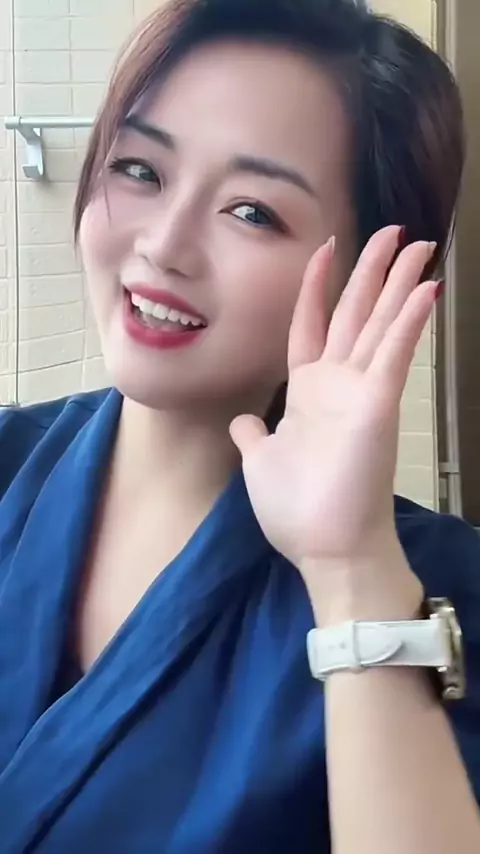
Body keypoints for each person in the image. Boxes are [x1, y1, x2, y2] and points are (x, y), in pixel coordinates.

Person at [0, 0, 479, 850]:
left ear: (373, 276)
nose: (164, 245)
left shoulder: (437, 588)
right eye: (140, 169)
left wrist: (352, 570)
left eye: (252, 211)